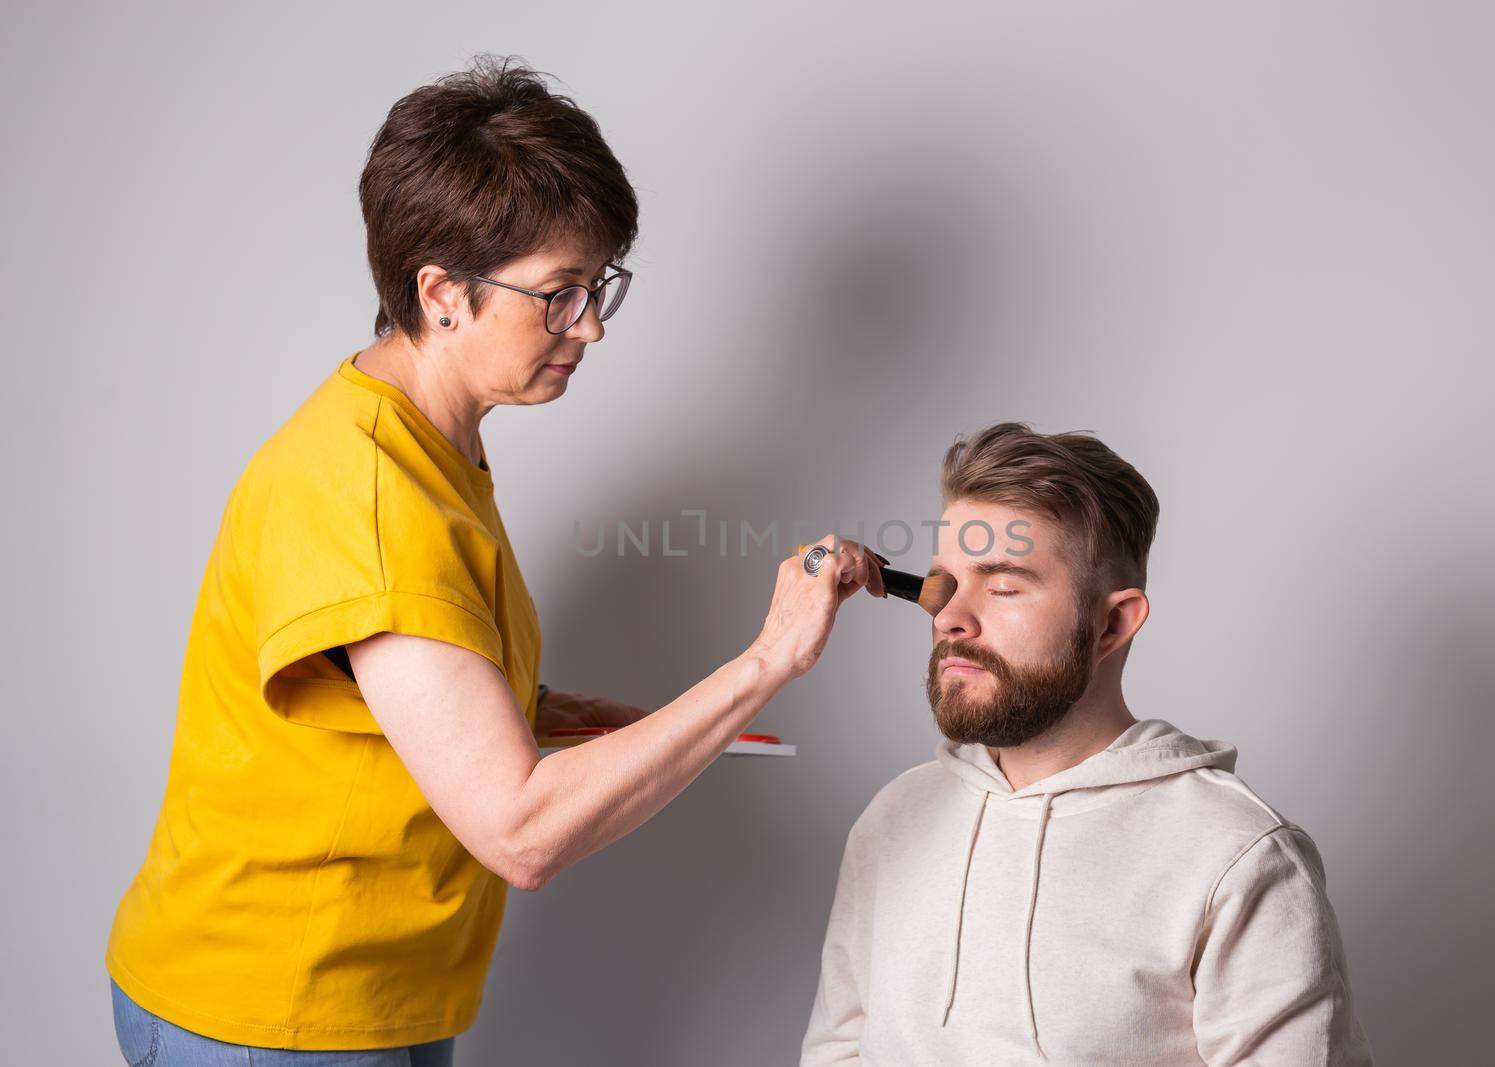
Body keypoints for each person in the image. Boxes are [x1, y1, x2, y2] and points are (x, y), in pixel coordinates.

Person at [105, 54, 885, 1065]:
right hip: (272, 1014)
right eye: (560, 293)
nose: (592, 325)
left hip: (372, 995)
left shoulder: (426, 442)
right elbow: (520, 831)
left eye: (599, 285)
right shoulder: (372, 493)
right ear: (441, 294)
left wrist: (538, 704)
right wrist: (768, 659)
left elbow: (398, 670)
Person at [800, 422, 1371, 1065]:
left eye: (1005, 585)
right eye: (944, 586)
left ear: (1112, 623)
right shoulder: (892, 819)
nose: (951, 618)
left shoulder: (1238, 854)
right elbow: (837, 1052)